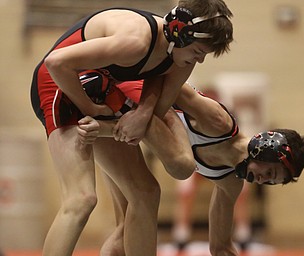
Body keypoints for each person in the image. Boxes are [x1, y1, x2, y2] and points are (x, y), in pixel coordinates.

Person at [30, 1, 234, 255]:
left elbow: (154, 110)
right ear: (179, 34)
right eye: (199, 51)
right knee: (81, 199)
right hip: (59, 85)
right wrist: (92, 111)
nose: (200, 60)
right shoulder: (136, 39)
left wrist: (142, 113)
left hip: (102, 89)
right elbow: (56, 63)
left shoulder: (181, 58)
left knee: (146, 192)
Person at [77, 79, 304, 256]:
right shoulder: (218, 121)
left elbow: (221, 248)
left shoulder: (230, 183)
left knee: (124, 232)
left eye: (269, 181)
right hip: (118, 97)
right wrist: (142, 112)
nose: (260, 180)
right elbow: (164, 77)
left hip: (116, 128)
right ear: (266, 147)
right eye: (268, 173)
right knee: (178, 170)